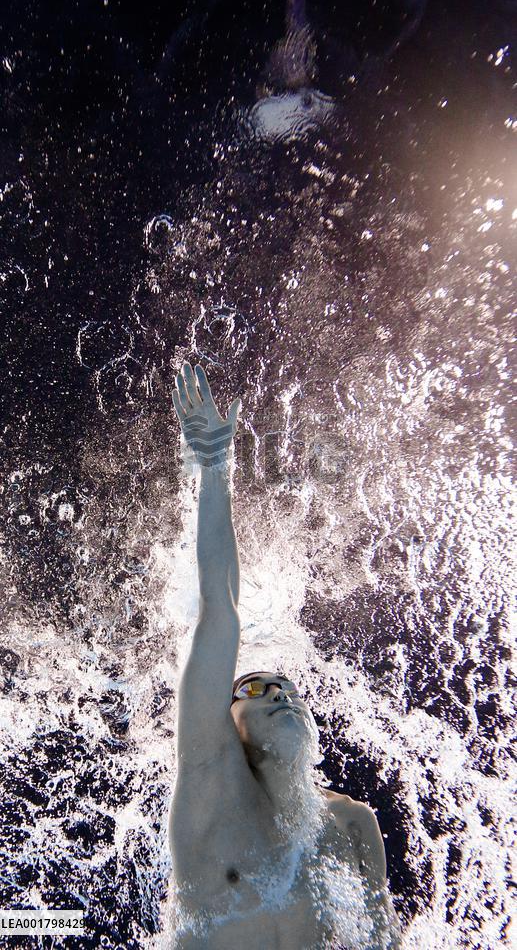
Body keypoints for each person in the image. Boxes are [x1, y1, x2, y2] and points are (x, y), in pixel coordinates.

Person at [169, 361, 402, 949]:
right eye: (253, 688)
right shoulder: (209, 781)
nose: (279, 694)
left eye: (288, 690)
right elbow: (220, 612)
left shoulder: (352, 825)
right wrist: (214, 469)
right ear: (225, 720)